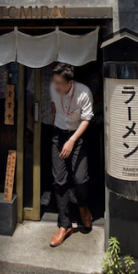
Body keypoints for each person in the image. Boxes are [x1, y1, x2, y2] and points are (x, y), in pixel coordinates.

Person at [48, 62, 94, 247]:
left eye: (60, 83)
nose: (56, 86)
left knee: (80, 178)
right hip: (59, 134)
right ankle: (64, 225)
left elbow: (86, 118)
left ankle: (83, 206)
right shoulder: (54, 89)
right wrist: (56, 129)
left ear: (70, 83)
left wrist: (72, 140)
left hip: (77, 136)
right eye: (55, 82)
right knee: (59, 180)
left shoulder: (84, 93)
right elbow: (53, 107)